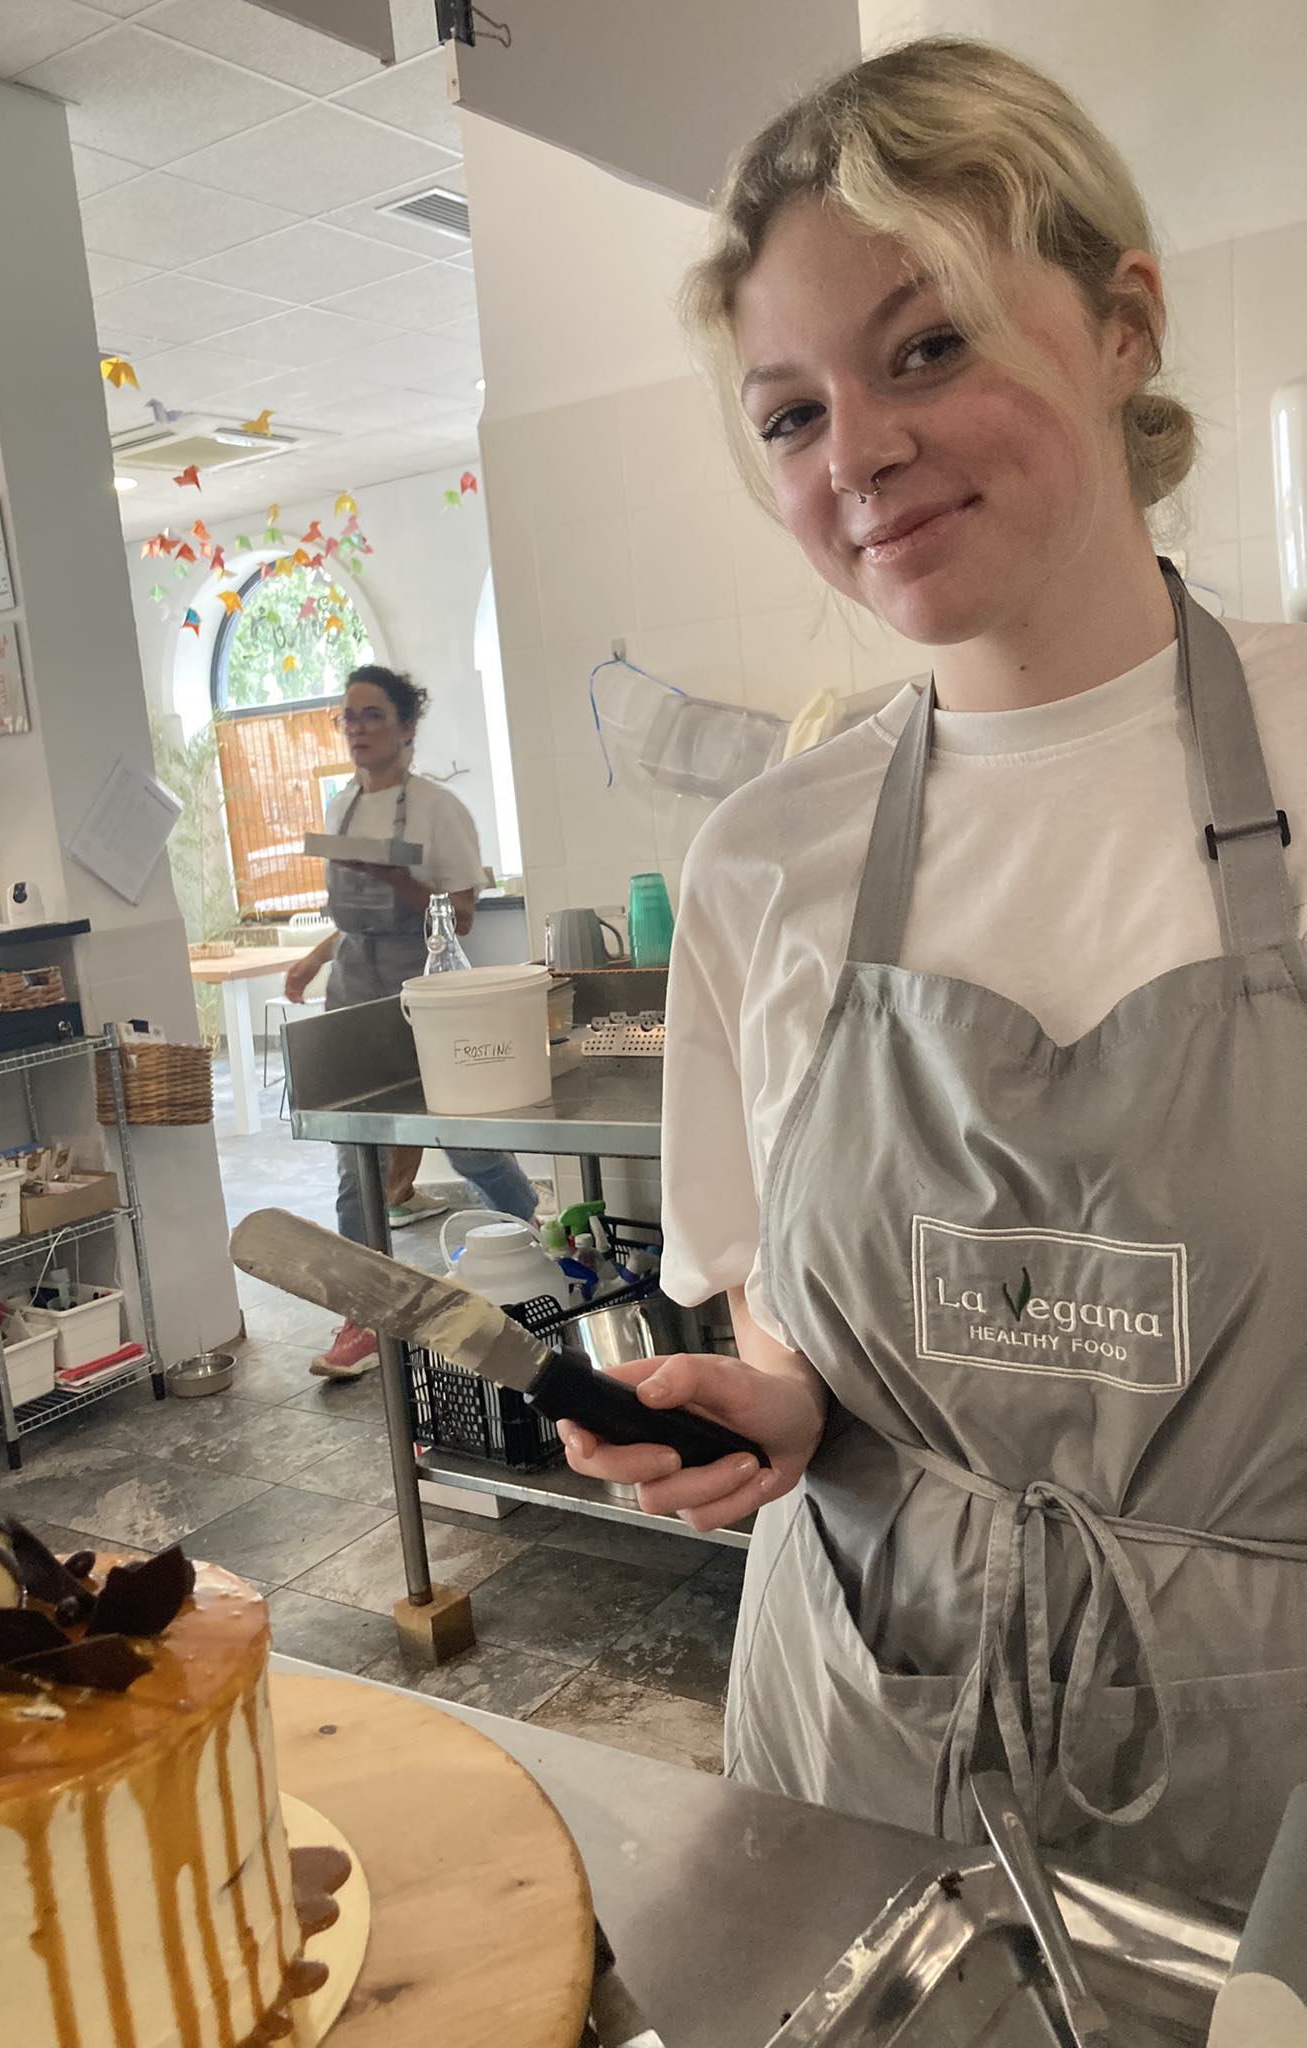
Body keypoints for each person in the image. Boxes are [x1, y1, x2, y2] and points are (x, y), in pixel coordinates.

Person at [559, 36, 1307, 1909]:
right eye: (789, 414)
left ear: (1124, 323)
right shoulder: (765, 861)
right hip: (865, 1737)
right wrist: (778, 1409)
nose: (859, 453)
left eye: (925, 348)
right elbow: (780, 1318)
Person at [285, 664, 538, 1378]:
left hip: (424, 988)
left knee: (463, 1143)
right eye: (349, 717)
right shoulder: (341, 808)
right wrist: (313, 960)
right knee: (353, 1158)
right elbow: (352, 922)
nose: (358, 729)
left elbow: (461, 916)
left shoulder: (436, 809)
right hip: (352, 989)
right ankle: (364, 1314)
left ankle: (537, 1243)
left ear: (406, 726)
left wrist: (399, 881)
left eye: (372, 715)